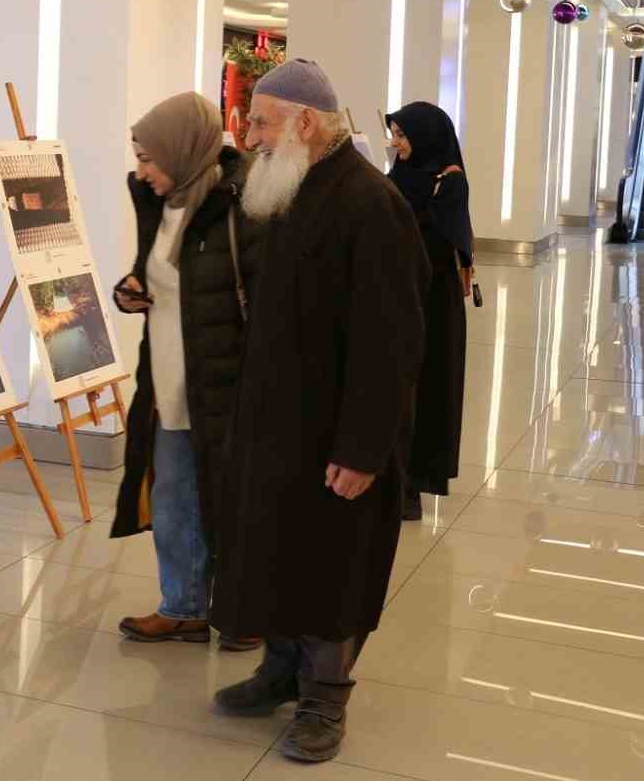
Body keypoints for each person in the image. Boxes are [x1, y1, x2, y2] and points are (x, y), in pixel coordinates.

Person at [211, 59, 429, 763]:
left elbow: (389, 344)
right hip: (277, 425)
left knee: (332, 565)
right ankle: (280, 671)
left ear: (306, 123)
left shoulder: (371, 205)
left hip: (338, 433)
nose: (250, 137)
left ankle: (323, 700)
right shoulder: (296, 187)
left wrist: (364, 449)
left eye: (263, 123)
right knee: (274, 550)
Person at [110, 92, 265, 652]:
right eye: (137, 156)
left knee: (231, 499)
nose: (140, 169)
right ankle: (183, 607)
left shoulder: (241, 202)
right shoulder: (160, 204)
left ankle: (243, 611)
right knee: (174, 496)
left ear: (181, 148)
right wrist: (130, 290)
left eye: (148, 157)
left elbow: (261, 298)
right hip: (169, 379)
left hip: (225, 383)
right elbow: (155, 275)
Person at [386, 102, 474, 520]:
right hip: (400, 297)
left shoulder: (450, 182)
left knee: (425, 389)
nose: (396, 143)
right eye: (396, 134)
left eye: (402, 136)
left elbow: (441, 241)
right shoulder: (398, 176)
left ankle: (412, 485)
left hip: (432, 306)